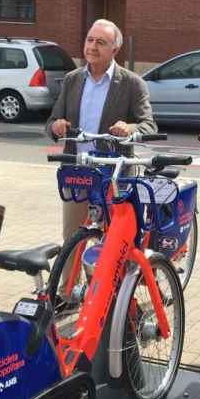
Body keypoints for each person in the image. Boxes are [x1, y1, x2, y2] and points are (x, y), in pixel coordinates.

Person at [47, 18, 157, 242]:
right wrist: (56, 126)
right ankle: (70, 278)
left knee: (113, 242)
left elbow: (148, 124)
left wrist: (129, 128)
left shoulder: (132, 83)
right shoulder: (72, 79)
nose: (92, 47)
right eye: (89, 40)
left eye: (101, 42)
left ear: (115, 49)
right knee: (72, 239)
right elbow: (52, 121)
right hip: (76, 172)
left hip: (113, 176)